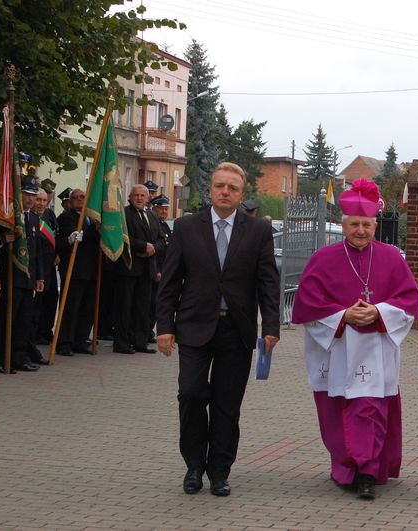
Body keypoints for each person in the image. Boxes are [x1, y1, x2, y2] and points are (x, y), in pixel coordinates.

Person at [156, 162, 280, 497]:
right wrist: (164, 326)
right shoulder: (185, 228)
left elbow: (268, 283)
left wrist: (271, 327)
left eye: (233, 188)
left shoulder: (257, 232)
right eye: (219, 186)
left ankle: (219, 470)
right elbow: (170, 282)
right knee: (192, 394)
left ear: (241, 195)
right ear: (210, 190)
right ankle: (194, 465)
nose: (225, 192)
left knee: (227, 404)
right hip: (194, 328)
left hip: (236, 331)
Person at [292, 179, 418, 500]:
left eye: (366, 225)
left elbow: (408, 300)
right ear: (344, 224)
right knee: (336, 410)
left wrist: (379, 313)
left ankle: (366, 470)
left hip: (375, 349)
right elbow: (307, 303)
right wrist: (343, 316)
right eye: (355, 225)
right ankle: (344, 467)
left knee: (370, 409)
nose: (361, 230)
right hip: (338, 349)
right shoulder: (323, 259)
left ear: (375, 225)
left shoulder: (392, 258)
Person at [0, 178, 45, 373]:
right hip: (12, 276)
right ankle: (2, 359)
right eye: (27, 194)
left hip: (29, 278)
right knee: (8, 319)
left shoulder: (33, 218)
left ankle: (19, 357)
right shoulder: (8, 217)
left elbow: (37, 251)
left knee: (24, 320)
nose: (31, 199)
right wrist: (2, 240)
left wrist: (39, 277)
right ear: (18, 194)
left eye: (34, 195)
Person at [111, 184, 162, 354]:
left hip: (147, 269)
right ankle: (122, 343)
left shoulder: (152, 216)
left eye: (143, 195)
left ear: (148, 198)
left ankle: (140, 341)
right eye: (136, 195)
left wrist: (154, 247)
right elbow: (122, 237)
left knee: (143, 307)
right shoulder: (124, 214)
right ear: (130, 197)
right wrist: (142, 246)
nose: (139, 198)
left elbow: (162, 239)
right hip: (129, 267)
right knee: (125, 307)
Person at [55, 188, 100, 356]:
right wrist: (94, 229)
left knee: (87, 308)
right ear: (70, 201)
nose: (80, 200)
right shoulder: (66, 217)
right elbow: (76, 237)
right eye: (76, 198)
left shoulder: (91, 218)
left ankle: (80, 340)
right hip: (74, 271)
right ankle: (64, 342)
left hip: (91, 270)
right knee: (70, 308)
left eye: (83, 197)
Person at [33, 189, 59, 345]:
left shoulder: (49, 214)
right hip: (36, 264)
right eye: (38, 200)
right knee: (37, 303)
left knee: (50, 299)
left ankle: (45, 330)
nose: (42, 204)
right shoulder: (28, 217)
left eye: (44, 200)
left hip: (49, 264)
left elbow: (55, 234)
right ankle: (34, 333)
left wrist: (58, 253)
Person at [149, 194, 172, 339]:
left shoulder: (164, 225)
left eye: (165, 209)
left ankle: (149, 329)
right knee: (150, 303)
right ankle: (146, 330)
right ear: (154, 209)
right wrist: (157, 270)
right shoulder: (153, 224)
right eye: (161, 209)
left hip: (163, 271)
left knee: (156, 304)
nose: (164, 212)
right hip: (154, 270)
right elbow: (156, 251)